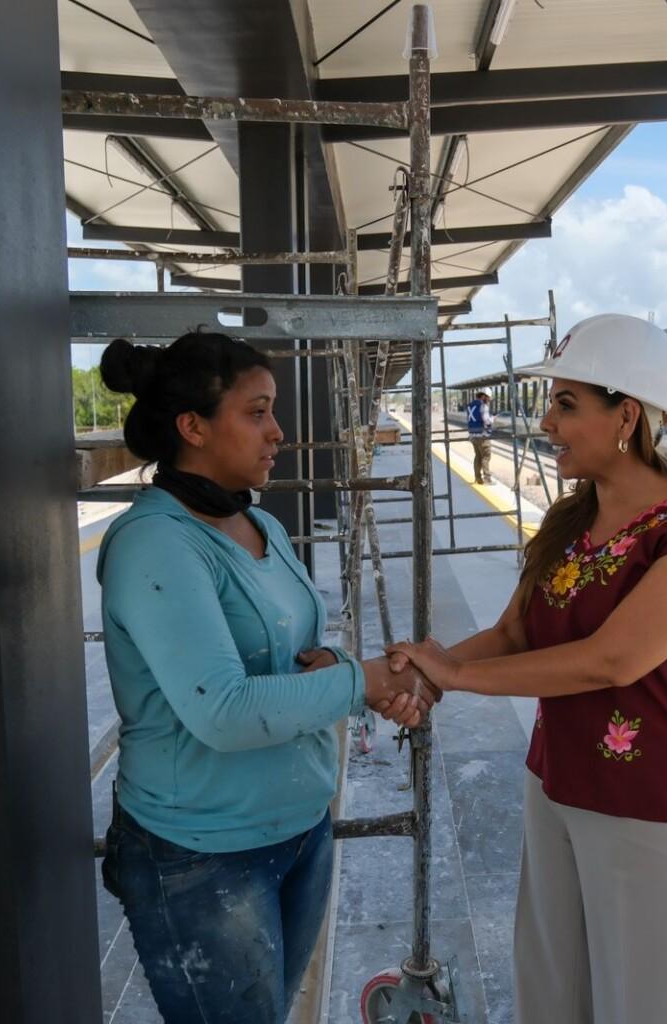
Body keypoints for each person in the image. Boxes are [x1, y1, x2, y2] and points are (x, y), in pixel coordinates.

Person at [388, 315, 667, 1024]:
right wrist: (428, 670)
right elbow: (516, 630)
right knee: (554, 991)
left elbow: (613, 660)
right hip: (556, 776)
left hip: (653, 796)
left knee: (649, 1002)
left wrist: (455, 680)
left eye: (566, 405)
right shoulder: (569, 521)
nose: (546, 422)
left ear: (627, 415)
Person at [96, 331, 434, 1024]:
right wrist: (359, 682)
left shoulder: (257, 523)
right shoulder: (157, 543)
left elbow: (299, 656)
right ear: (193, 426)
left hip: (300, 827)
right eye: (257, 412)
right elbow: (223, 710)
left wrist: (347, 672)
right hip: (204, 857)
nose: (279, 431)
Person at [466, 387, 494, 484]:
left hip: (473, 435)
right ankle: (487, 478)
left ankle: (478, 478)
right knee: (486, 456)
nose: (489, 400)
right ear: (484, 396)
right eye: (488, 398)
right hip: (482, 436)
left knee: (478, 456)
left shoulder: (470, 405)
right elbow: (486, 420)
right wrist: (492, 419)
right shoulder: (483, 405)